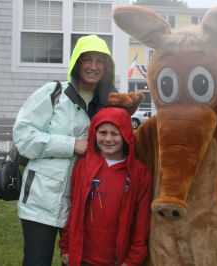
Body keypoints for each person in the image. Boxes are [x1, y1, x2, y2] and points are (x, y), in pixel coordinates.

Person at [13, 34, 118, 266]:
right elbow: (24, 136)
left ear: (107, 66)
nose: (93, 66)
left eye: (100, 61)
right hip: (42, 199)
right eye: (86, 60)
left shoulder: (111, 103)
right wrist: (72, 145)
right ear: (76, 63)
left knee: (77, 261)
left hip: (85, 202)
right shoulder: (54, 93)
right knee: (37, 261)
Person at [59, 107, 152, 266]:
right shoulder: (83, 166)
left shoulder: (140, 174)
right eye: (103, 132)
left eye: (115, 133)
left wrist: (134, 258)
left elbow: (141, 222)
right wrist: (66, 246)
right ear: (94, 134)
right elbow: (74, 208)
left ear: (126, 135)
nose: (108, 139)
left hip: (118, 259)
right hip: (82, 257)